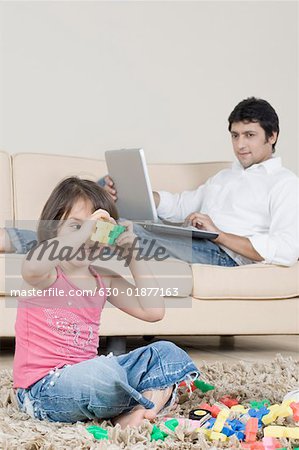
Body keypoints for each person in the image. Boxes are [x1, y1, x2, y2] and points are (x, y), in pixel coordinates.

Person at [2, 97, 299, 266]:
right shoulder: (226, 176)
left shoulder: (284, 184)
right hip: (197, 241)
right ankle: (14, 238)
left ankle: (12, 240)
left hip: (224, 256)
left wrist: (218, 234)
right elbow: (182, 205)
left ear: (272, 137)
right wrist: (139, 193)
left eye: (249, 136)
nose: (240, 145)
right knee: (118, 222)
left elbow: (286, 249)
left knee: (126, 234)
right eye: (235, 136)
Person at [13, 177, 199, 427]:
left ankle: (139, 411)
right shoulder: (45, 274)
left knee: (167, 353)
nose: (88, 238)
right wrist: (86, 230)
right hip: (43, 389)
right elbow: (31, 265)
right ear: (53, 230)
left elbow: (153, 311)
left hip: (91, 381)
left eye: (96, 231)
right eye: (75, 227)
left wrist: (133, 255)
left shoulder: (104, 279)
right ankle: (145, 402)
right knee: (103, 374)